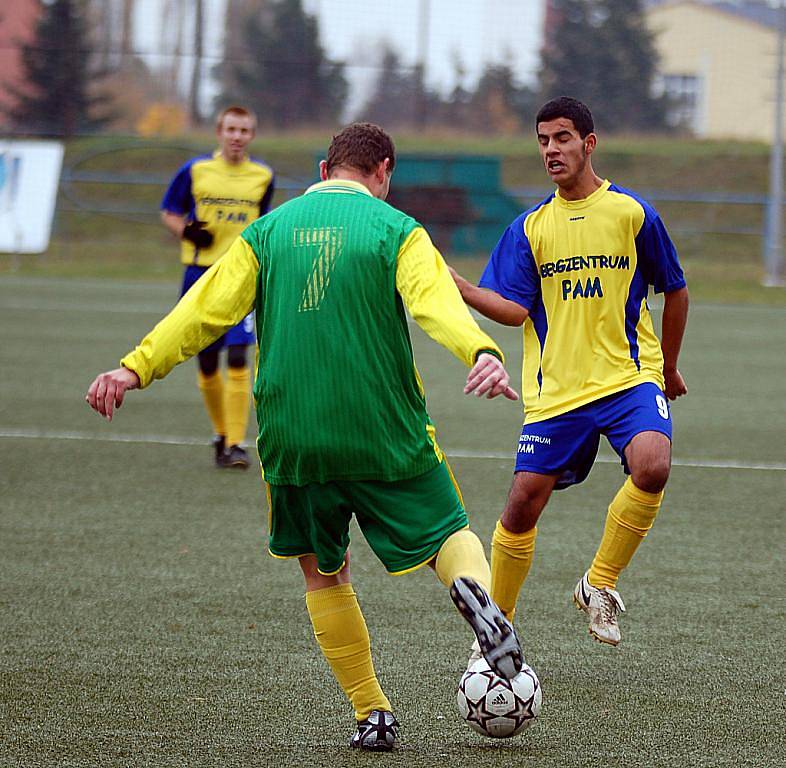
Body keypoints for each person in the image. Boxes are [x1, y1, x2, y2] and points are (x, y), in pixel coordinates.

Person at [86, 122, 525, 751]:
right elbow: (435, 304)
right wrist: (480, 350)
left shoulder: (265, 232)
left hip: (293, 435)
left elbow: (204, 311)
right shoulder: (398, 229)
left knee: (325, 572)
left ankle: (371, 714)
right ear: (384, 172)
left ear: (324, 170)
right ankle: (473, 590)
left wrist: (134, 367)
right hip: (382, 428)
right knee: (448, 532)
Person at [450, 97, 689, 649]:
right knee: (521, 505)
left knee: (652, 466)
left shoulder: (632, 214)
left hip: (629, 377)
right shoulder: (530, 227)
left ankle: (599, 583)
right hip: (556, 390)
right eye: (542, 141)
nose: (551, 150)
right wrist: (462, 287)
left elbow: (674, 290)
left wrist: (668, 367)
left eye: (561, 138)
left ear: (589, 143)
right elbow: (514, 309)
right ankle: (496, 630)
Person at [160, 105, 275, 469]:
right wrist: (186, 230)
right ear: (219, 132)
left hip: (242, 275)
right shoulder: (194, 171)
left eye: (244, 130)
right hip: (199, 275)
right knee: (207, 361)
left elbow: (262, 223)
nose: (237, 137)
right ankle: (222, 434)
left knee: (240, 356)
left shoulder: (263, 176)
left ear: (252, 135)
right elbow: (169, 210)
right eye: (231, 129)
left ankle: (237, 443)